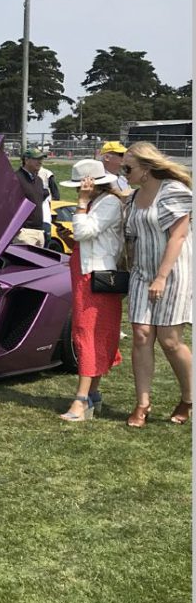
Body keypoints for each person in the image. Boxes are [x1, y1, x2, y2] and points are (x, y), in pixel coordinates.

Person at [121, 142, 192, 428]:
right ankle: (143, 403)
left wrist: (162, 277)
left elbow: (178, 237)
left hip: (174, 272)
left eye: (128, 167)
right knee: (140, 335)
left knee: (170, 341)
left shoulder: (174, 192)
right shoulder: (133, 197)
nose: (124, 172)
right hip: (142, 273)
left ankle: (188, 397)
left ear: (146, 168)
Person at [53, 159, 125, 421]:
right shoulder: (101, 203)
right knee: (88, 332)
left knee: (88, 333)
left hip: (95, 278)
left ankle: (81, 401)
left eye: (80, 186)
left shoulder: (108, 203)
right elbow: (88, 239)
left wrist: (81, 203)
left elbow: (86, 231)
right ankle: (92, 396)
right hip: (87, 275)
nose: (77, 191)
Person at [12, 147, 51, 247]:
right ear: (26, 160)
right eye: (36, 159)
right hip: (24, 232)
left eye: (41, 159)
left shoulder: (39, 180)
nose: (40, 162)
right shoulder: (15, 178)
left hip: (39, 231)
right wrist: (17, 229)